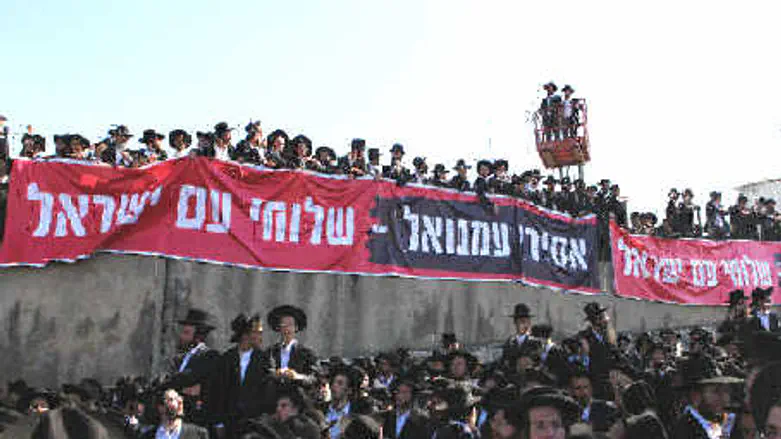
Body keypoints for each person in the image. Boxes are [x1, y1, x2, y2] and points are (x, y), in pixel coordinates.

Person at [212, 313, 276, 437]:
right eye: (257, 332)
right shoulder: (226, 359)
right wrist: (218, 422)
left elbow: (269, 394)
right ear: (245, 334)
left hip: (254, 425)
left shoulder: (265, 360)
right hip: (229, 424)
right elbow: (218, 392)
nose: (260, 337)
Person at [164, 308, 221, 424]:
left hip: (195, 419)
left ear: (198, 337)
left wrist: (175, 385)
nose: (182, 337)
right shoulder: (179, 359)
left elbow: (188, 378)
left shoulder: (209, 356)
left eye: (186, 333)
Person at [671, 353, 742, 439]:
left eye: (725, 390)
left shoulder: (736, 424)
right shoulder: (685, 431)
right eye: (716, 391)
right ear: (695, 396)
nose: (724, 397)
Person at [267, 305, 318, 385]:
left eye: (290, 325)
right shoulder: (270, 352)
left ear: (296, 328)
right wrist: (275, 374)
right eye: (283, 325)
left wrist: (297, 376)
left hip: (296, 394)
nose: (287, 329)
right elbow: (263, 374)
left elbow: (314, 378)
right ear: (279, 328)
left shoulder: (306, 353)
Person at [580, 302, 615, 401]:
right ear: (597, 320)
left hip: (609, 386)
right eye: (604, 317)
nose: (607, 320)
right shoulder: (584, 338)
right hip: (595, 387)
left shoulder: (607, 338)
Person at [141, 389, 209, 439]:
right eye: (172, 399)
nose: (179, 402)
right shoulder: (147, 436)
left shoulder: (199, 434)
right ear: (160, 407)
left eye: (180, 399)